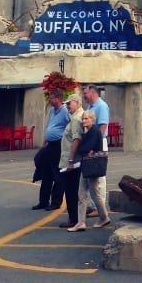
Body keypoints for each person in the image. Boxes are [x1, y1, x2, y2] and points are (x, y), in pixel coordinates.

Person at [67, 110, 111, 231]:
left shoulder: (94, 131)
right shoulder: (89, 131)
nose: (83, 121)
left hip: (92, 166)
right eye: (83, 119)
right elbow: (86, 149)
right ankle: (81, 222)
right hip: (87, 165)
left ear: (92, 119)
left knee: (94, 193)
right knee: (82, 194)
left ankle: (104, 217)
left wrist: (84, 150)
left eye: (86, 118)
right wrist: (85, 150)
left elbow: (86, 148)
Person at [32, 92, 70, 211]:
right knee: (45, 173)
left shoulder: (65, 111)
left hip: (59, 145)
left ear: (58, 98)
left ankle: (56, 202)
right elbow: (49, 127)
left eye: (52, 98)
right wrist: (44, 142)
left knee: (57, 174)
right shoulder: (52, 111)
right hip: (49, 145)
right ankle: (43, 201)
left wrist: (66, 140)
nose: (50, 100)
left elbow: (70, 125)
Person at [83, 84, 110, 218]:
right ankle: (92, 206)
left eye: (85, 93)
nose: (84, 95)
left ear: (93, 92)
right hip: (92, 143)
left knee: (99, 176)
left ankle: (99, 207)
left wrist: (94, 145)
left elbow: (102, 127)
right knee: (91, 175)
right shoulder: (90, 107)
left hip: (99, 143)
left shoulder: (102, 106)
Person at [57, 93, 84, 229]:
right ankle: (75, 217)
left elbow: (76, 139)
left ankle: (73, 218)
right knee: (73, 189)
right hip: (72, 159)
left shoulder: (76, 119)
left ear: (77, 103)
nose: (67, 106)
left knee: (70, 190)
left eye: (69, 103)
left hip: (72, 160)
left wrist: (71, 160)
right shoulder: (77, 117)